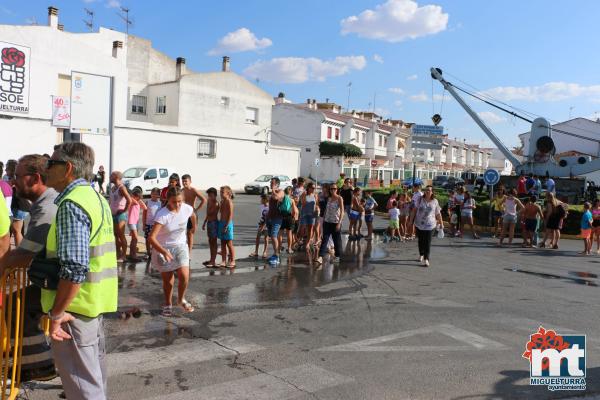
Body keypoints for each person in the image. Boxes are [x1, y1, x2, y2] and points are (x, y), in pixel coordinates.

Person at [43, 142, 118, 399]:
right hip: (91, 306)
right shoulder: (96, 198)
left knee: (83, 387)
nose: (46, 168)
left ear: (68, 168)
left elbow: (74, 268)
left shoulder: (72, 204)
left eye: (51, 163)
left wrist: (56, 314)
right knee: (93, 380)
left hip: (73, 312)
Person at [0, 155, 57, 381]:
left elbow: (23, 254)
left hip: (63, 284)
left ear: (34, 178)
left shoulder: (47, 208)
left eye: (16, 176)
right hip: (57, 281)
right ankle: (40, 365)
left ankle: (38, 366)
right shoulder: (45, 203)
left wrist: (3, 267)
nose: (13, 181)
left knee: (18, 306)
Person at [148, 186, 194, 316]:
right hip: (163, 248)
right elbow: (151, 238)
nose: (177, 204)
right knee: (168, 280)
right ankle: (168, 303)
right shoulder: (163, 215)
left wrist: (192, 230)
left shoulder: (186, 208)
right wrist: (163, 251)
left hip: (180, 246)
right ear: (168, 200)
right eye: (174, 202)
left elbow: (192, 215)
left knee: (184, 275)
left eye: (179, 201)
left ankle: (181, 299)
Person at [409, 185, 443, 267]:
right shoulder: (420, 199)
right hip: (419, 224)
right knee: (421, 240)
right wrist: (410, 221)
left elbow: (438, 213)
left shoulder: (435, 201)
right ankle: (421, 254)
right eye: (426, 190)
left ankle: (426, 259)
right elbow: (414, 210)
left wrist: (441, 223)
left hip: (430, 225)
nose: (428, 191)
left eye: (429, 190)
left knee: (427, 242)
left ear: (432, 192)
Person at [315, 185, 344, 265]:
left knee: (336, 240)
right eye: (331, 189)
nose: (333, 190)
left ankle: (337, 256)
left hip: (335, 222)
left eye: (334, 188)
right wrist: (324, 219)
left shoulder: (339, 198)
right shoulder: (329, 198)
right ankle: (320, 257)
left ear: (337, 189)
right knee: (325, 239)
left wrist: (339, 223)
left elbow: (342, 211)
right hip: (327, 222)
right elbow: (326, 210)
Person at [6, 159, 30, 247]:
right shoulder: (17, 179)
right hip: (21, 207)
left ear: (11, 170)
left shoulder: (13, 180)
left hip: (19, 207)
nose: (5, 171)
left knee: (16, 231)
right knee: (16, 231)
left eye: (7, 169)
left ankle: (18, 252)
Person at [109, 171, 132, 261]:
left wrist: (124, 210)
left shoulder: (121, 188)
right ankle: (118, 253)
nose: (110, 177)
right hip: (113, 214)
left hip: (120, 216)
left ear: (116, 177)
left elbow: (129, 200)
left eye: (112, 175)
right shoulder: (113, 188)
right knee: (115, 235)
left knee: (121, 235)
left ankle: (124, 255)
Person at [181, 174, 206, 255]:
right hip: (183, 214)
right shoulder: (181, 191)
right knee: (181, 233)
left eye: (186, 181)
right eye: (183, 181)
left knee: (190, 233)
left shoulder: (193, 190)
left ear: (190, 181)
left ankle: (189, 253)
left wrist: (196, 209)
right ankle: (183, 251)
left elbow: (204, 200)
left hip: (192, 214)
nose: (184, 183)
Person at [266, 177, 285, 265]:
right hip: (270, 218)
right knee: (272, 236)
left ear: (277, 184)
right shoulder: (273, 192)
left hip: (278, 218)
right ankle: (274, 253)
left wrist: (273, 190)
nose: (270, 184)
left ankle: (277, 255)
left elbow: (277, 197)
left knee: (274, 236)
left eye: (272, 183)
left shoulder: (281, 191)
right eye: (270, 183)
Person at [202, 188, 219, 268]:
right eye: (208, 195)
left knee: (214, 242)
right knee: (210, 242)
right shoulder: (209, 201)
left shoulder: (216, 203)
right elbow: (208, 214)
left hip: (214, 223)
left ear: (215, 195)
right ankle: (211, 259)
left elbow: (210, 213)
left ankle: (213, 261)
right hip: (209, 222)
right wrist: (205, 222)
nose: (209, 197)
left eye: (211, 195)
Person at [127, 189, 147, 262]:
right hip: (132, 222)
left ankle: (132, 254)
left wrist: (140, 200)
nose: (139, 198)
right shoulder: (133, 201)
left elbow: (145, 208)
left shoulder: (137, 202)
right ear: (134, 196)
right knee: (135, 238)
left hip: (135, 222)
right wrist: (134, 197)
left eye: (139, 197)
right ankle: (133, 255)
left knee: (134, 239)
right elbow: (132, 199)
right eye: (138, 197)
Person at [143, 188, 162, 260]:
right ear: (151, 194)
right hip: (148, 224)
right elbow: (144, 214)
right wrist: (144, 224)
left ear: (159, 195)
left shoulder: (160, 203)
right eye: (153, 194)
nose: (154, 195)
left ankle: (154, 252)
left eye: (156, 194)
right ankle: (148, 252)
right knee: (147, 239)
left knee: (155, 239)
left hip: (156, 225)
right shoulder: (148, 202)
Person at [218, 186, 235, 268]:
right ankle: (223, 260)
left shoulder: (229, 202)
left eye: (222, 192)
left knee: (229, 243)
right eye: (220, 192)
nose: (220, 194)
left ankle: (233, 260)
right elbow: (220, 212)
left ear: (228, 193)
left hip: (228, 224)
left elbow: (230, 216)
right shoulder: (222, 201)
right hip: (221, 223)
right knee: (222, 243)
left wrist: (226, 225)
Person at [250, 194, 270, 258]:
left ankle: (265, 252)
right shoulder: (262, 206)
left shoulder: (269, 207)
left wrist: (263, 226)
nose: (260, 200)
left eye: (261, 199)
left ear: (265, 200)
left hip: (266, 225)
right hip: (261, 224)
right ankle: (256, 251)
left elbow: (268, 218)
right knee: (257, 237)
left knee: (266, 238)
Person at [299, 182, 318, 247]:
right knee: (302, 228)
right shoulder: (304, 194)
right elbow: (303, 203)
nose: (313, 189)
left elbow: (317, 204)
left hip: (312, 214)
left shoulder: (315, 195)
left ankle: (307, 243)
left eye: (314, 188)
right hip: (304, 214)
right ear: (308, 188)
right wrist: (304, 196)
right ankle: (300, 240)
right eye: (312, 188)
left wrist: (317, 209)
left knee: (310, 228)